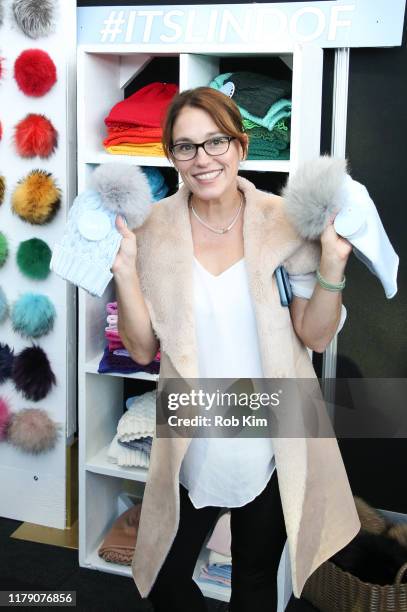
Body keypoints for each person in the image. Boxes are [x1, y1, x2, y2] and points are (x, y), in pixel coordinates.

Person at [112, 87, 360, 612]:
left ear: (241, 147)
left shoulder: (282, 221)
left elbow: (314, 335)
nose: (203, 159)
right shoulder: (152, 230)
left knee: (253, 579)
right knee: (163, 576)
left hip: (272, 436)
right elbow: (138, 351)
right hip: (193, 436)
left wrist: (332, 269)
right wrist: (126, 275)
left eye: (215, 142)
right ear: (171, 156)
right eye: (185, 147)